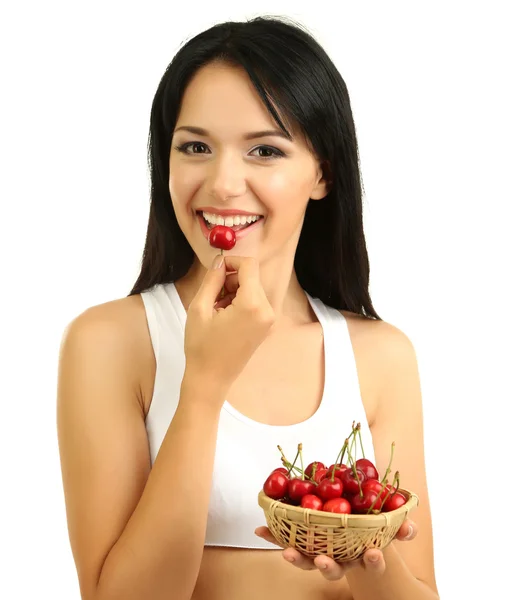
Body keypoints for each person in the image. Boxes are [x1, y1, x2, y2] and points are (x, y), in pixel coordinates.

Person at [57, 15, 439, 600]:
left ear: (323, 174)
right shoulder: (110, 342)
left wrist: (362, 560)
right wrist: (204, 384)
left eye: (264, 149)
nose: (222, 183)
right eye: (195, 147)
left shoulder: (381, 356)